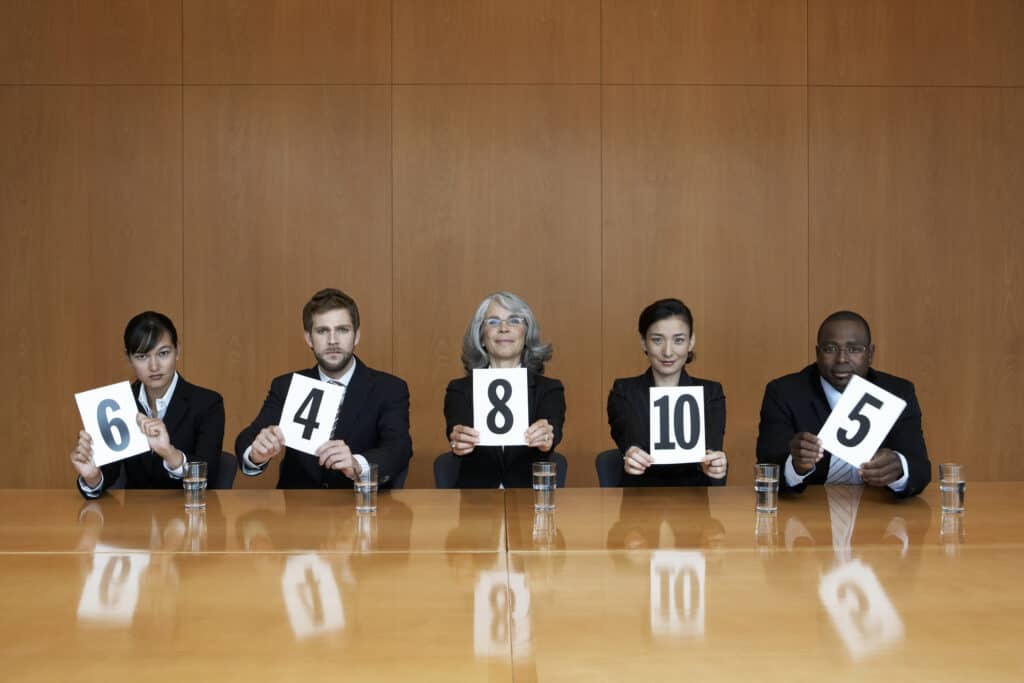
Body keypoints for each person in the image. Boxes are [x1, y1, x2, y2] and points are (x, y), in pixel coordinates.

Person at [235, 288, 411, 488]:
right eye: (322, 331)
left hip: (360, 508)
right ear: (309, 338)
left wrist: (357, 464)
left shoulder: (389, 388)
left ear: (357, 336)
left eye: (343, 330)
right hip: (297, 513)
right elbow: (247, 438)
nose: (333, 340)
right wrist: (256, 453)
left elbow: (398, 449)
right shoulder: (286, 385)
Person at [756, 310, 930, 497]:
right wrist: (796, 466)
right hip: (808, 515)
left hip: (878, 511)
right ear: (817, 353)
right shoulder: (784, 393)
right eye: (830, 349)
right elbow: (767, 471)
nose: (841, 359)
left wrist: (899, 469)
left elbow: (919, 469)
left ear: (870, 354)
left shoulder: (898, 392)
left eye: (854, 349)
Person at [70, 311, 225, 498]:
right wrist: (93, 477)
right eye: (142, 356)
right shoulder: (118, 402)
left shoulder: (207, 403)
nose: (154, 366)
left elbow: (209, 478)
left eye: (163, 353)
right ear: (128, 358)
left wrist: (169, 453)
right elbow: (109, 473)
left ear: (178, 350)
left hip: (191, 517)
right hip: (135, 519)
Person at [445, 291, 565, 488]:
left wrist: (547, 437)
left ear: (526, 334)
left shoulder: (550, 389)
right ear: (481, 337)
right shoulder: (459, 390)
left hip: (529, 499)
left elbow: (554, 431)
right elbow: (455, 431)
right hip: (476, 503)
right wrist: (458, 439)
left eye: (514, 320)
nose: (503, 328)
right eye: (492, 322)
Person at [606, 298, 728, 486]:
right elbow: (627, 436)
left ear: (691, 342)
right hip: (639, 499)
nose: (668, 352)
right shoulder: (624, 391)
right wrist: (631, 453)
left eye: (678, 340)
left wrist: (714, 463)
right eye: (657, 340)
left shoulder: (710, 393)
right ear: (643, 342)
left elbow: (711, 448)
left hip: (696, 500)